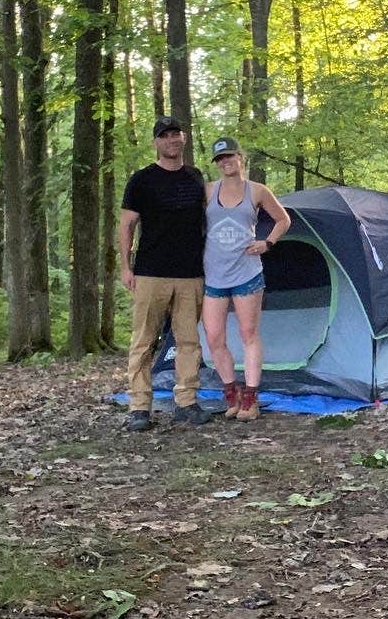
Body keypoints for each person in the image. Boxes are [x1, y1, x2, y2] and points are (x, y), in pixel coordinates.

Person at [119, 115, 211, 431]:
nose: (172, 140)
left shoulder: (196, 178)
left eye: (176, 134)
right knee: (143, 341)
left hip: (190, 274)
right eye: (165, 135)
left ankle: (186, 402)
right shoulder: (141, 180)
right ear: (156, 142)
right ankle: (139, 407)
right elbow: (127, 225)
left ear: (183, 139)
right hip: (150, 273)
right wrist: (125, 266)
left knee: (188, 341)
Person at [200, 135, 291, 421]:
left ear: (241, 158)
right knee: (214, 337)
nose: (226, 162)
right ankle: (231, 394)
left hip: (247, 274)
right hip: (214, 275)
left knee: (248, 334)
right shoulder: (207, 191)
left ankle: (251, 398)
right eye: (220, 159)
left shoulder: (257, 191)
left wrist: (268, 243)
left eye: (230, 156)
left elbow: (283, 219)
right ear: (216, 164)